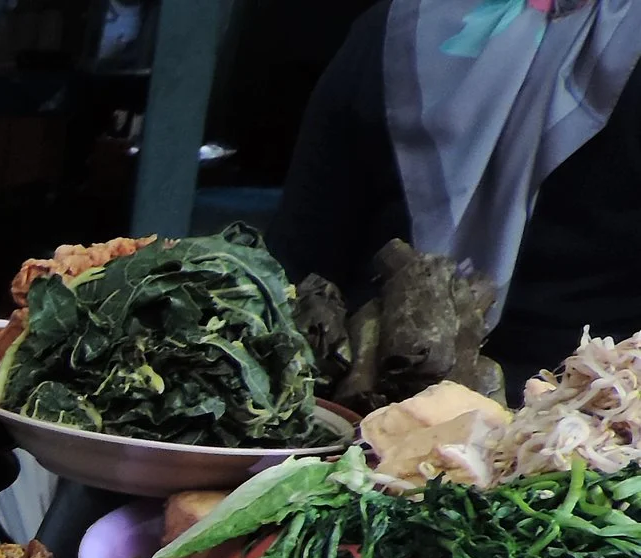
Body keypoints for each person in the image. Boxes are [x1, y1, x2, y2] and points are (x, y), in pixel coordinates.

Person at [273, 0, 641, 394]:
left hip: (359, 401)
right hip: (584, 410)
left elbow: (292, 274)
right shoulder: (389, 30)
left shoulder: (398, 30)